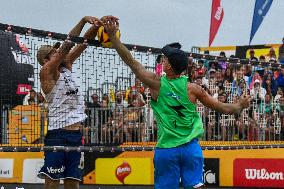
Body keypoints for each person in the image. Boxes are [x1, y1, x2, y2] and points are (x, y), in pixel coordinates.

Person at [103, 16, 251, 189]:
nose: (162, 60)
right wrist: (240, 105)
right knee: (196, 185)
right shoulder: (193, 89)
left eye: (164, 59)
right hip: (191, 149)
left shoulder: (157, 84)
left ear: (169, 67)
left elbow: (132, 63)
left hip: (167, 150)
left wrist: (114, 38)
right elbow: (223, 108)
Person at [36, 16, 116, 189]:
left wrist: (98, 24)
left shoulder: (67, 66)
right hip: (57, 134)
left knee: (73, 182)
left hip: (76, 135)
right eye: (54, 52)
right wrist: (82, 21)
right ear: (45, 60)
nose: (58, 53)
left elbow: (84, 42)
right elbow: (68, 44)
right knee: (52, 183)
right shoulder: (47, 72)